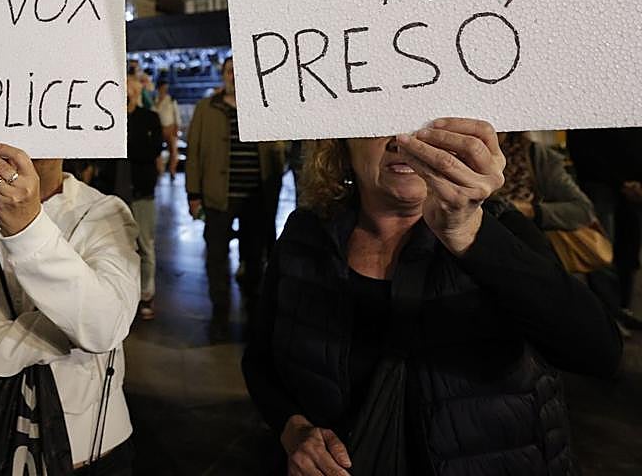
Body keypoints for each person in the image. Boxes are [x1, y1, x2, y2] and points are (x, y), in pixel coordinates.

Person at [242, 118, 622, 476]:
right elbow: (261, 360)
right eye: (377, 123)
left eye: (423, 122)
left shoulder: (502, 229)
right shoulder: (304, 235)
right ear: (341, 143)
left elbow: (598, 351)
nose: (402, 141)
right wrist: (293, 428)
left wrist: (471, 235)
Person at [0, 142, 140, 473]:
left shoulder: (105, 212)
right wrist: (57, 332)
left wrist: (27, 227)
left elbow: (103, 327)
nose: (29, 135)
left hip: (90, 448)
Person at [185, 57, 286, 341]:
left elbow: (279, 150)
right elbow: (193, 153)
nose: (234, 76)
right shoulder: (206, 108)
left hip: (257, 198)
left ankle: (254, 316)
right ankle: (220, 315)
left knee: (255, 259)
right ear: (222, 75)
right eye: (230, 71)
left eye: (238, 71)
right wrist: (193, 195)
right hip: (218, 198)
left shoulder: (263, 105)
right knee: (216, 259)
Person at [567, 127, 642, 331]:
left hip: (634, 189)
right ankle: (608, 315)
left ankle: (623, 308)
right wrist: (620, 183)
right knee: (600, 251)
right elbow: (581, 150)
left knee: (629, 249)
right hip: (600, 185)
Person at [125, 73, 164, 320]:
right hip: (114, 190)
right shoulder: (112, 120)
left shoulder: (150, 118)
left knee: (145, 245)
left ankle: (146, 295)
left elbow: (152, 150)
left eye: (132, 84)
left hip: (141, 191)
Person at [153, 79, 181, 180]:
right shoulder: (155, 100)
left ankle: (172, 170)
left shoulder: (171, 99)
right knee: (157, 151)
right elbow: (153, 112)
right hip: (159, 129)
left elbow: (176, 114)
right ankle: (160, 170)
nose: (164, 90)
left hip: (171, 127)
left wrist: (177, 127)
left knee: (173, 151)